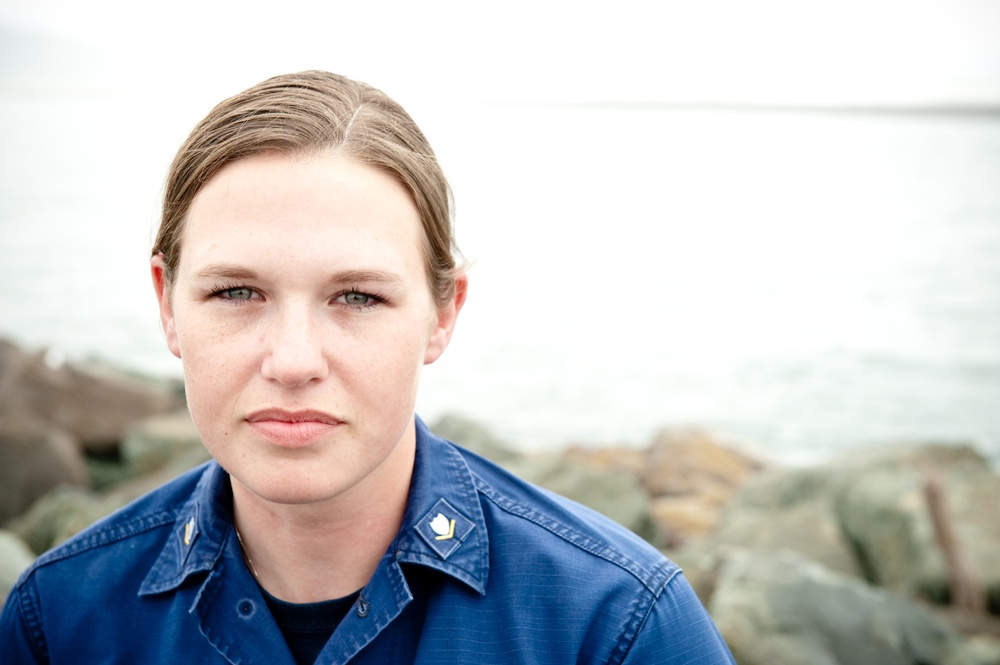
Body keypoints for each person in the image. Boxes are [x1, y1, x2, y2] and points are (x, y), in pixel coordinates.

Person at [0, 70, 736, 664]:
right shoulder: (59, 621)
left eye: (356, 295)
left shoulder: (614, 628)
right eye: (235, 292)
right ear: (167, 305)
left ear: (442, 314)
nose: (292, 360)